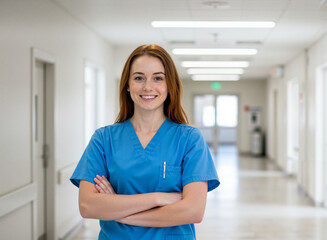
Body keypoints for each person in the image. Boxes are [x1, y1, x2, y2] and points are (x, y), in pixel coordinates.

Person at [70, 44, 220, 240]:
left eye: (158, 78)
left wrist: (118, 208)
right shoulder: (104, 139)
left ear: (169, 85)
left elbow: (193, 211)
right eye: (139, 78)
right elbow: (88, 206)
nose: (148, 87)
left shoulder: (189, 139)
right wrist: (158, 198)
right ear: (127, 84)